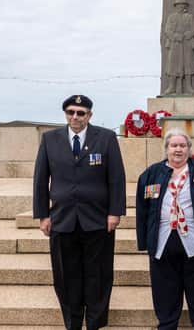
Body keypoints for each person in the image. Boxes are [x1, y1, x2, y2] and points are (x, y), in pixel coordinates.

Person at [33, 95, 126, 330]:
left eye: (81, 113)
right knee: (66, 276)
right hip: (62, 220)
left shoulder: (105, 138)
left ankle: (95, 322)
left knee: (99, 275)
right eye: (71, 112)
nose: (75, 117)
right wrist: (43, 215)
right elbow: (40, 179)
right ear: (65, 114)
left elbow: (116, 179)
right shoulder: (50, 139)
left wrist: (115, 213)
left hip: (98, 220)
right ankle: (73, 322)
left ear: (89, 115)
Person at [136, 127, 194, 330]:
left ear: (189, 149)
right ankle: (167, 325)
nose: (178, 149)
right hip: (163, 242)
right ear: (166, 148)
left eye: (182, 145)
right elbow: (143, 210)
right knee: (165, 292)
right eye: (174, 145)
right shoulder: (151, 174)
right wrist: (144, 241)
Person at [161, 0, 194, 95]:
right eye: (178, 5)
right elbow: (167, 30)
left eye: (182, 5)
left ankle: (189, 87)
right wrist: (175, 36)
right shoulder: (171, 17)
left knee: (188, 65)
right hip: (175, 44)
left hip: (186, 43)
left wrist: (186, 35)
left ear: (185, 6)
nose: (180, 7)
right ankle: (171, 87)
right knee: (173, 65)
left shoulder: (189, 17)